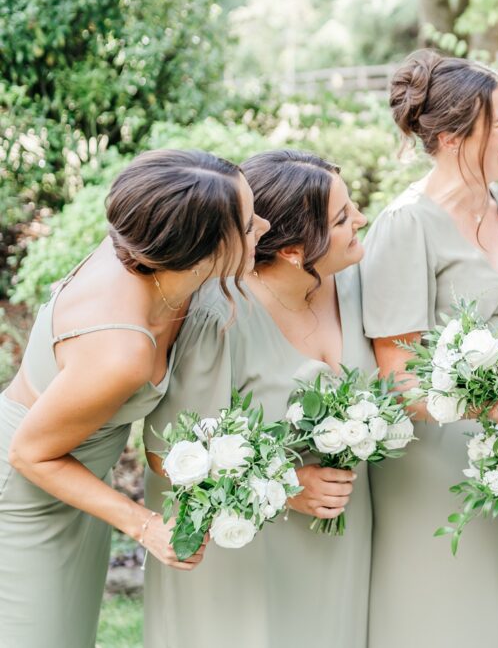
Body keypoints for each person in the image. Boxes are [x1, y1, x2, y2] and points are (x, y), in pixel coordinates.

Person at [0, 149, 263, 647]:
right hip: (27, 497)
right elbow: (28, 454)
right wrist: (146, 525)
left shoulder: (152, 254)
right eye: (248, 224)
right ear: (199, 249)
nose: (265, 227)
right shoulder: (122, 350)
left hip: (77, 484)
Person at [142, 150, 372, 647]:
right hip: (245, 552)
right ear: (292, 250)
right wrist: (290, 486)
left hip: (340, 543)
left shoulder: (354, 284)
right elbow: (167, 454)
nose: (361, 219)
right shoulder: (219, 316)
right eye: (341, 217)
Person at [360, 50, 498, 648]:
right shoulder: (406, 224)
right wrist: (481, 407)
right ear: (456, 135)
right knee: (442, 614)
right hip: (436, 455)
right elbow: (395, 376)